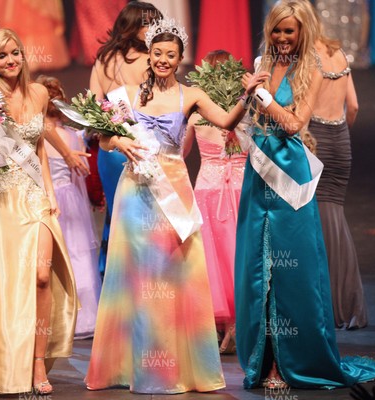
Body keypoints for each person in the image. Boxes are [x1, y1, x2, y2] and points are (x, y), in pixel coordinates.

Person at [84, 18, 268, 394]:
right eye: (157, 54)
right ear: (149, 57)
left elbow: (228, 121)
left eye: (171, 55)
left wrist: (246, 95)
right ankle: (132, 367)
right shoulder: (126, 95)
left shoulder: (192, 95)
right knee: (138, 275)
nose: (163, 60)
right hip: (136, 190)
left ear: (181, 58)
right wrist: (122, 145)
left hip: (175, 189)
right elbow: (103, 140)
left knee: (172, 274)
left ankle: (176, 367)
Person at [234, 0, 375, 390]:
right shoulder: (260, 65)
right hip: (258, 173)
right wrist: (246, 99)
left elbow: (296, 124)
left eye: (290, 31)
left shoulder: (312, 68)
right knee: (257, 268)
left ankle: (290, 363)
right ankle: (263, 361)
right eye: (277, 30)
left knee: (289, 273)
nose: (282, 37)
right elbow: (252, 121)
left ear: (302, 33)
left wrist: (264, 99)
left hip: (289, 176)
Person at [0, 29, 78, 395]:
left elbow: (38, 150)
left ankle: (38, 362)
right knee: (6, 282)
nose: (11, 61)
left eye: (16, 54)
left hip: (34, 196)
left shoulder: (38, 92)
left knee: (41, 275)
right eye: (3, 55)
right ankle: (3, 360)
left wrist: (50, 193)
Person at [89, 1, 163, 276]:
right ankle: (142, 279)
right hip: (141, 146)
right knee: (144, 218)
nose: (155, 29)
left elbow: (94, 105)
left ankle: (112, 279)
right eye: (149, 24)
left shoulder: (103, 59)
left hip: (112, 148)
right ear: (132, 26)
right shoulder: (154, 60)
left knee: (118, 215)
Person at [308, 2, 368, 330]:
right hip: (340, 139)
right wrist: (341, 132)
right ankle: (345, 304)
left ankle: (323, 304)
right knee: (335, 217)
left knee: (315, 222)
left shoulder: (306, 58)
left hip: (314, 140)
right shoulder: (340, 54)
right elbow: (354, 106)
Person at [183, 50, 247, 353]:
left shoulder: (196, 115)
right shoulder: (248, 113)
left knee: (213, 256)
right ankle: (237, 324)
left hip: (208, 189)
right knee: (239, 253)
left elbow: (179, 152)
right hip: (240, 188)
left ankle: (223, 326)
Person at [38, 75, 101, 339]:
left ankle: (51, 319)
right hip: (71, 199)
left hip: (47, 199)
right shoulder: (73, 137)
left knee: (49, 259)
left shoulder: (40, 138)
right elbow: (81, 174)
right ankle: (84, 317)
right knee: (79, 256)